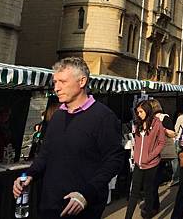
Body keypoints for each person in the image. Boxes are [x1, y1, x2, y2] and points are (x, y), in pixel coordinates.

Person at [13, 57, 125, 219]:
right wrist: (30, 174)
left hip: (81, 208)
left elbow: (114, 160)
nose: (56, 88)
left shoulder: (103, 117)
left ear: (82, 82)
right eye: (55, 82)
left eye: (63, 82)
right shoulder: (58, 115)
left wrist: (86, 193)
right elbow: (45, 154)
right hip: (49, 205)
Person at [124, 100, 166, 219]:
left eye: (141, 111)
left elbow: (161, 142)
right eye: (137, 112)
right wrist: (137, 158)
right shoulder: (137, 123)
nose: (139, 114)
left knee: (149, 192)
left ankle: (148, 215)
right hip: (138, 163)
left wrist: (150, 156)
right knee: (134, 193)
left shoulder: (157, 124)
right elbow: (137, 142)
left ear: (147, 111)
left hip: (151, 164)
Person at [148, 98, 176, 214]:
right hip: (151, 152)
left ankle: (153, 206)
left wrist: (161, 129)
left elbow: (172, 133)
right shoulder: (149, 119)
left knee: (153, 181)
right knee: (151, 181)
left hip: (161, 152)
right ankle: (153, 205)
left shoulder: (164, 118)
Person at [171, 110, 183, 186]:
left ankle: (176, 177)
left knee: (175, 158)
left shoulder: (181, 117)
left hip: (179, 140)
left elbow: (176, 129)